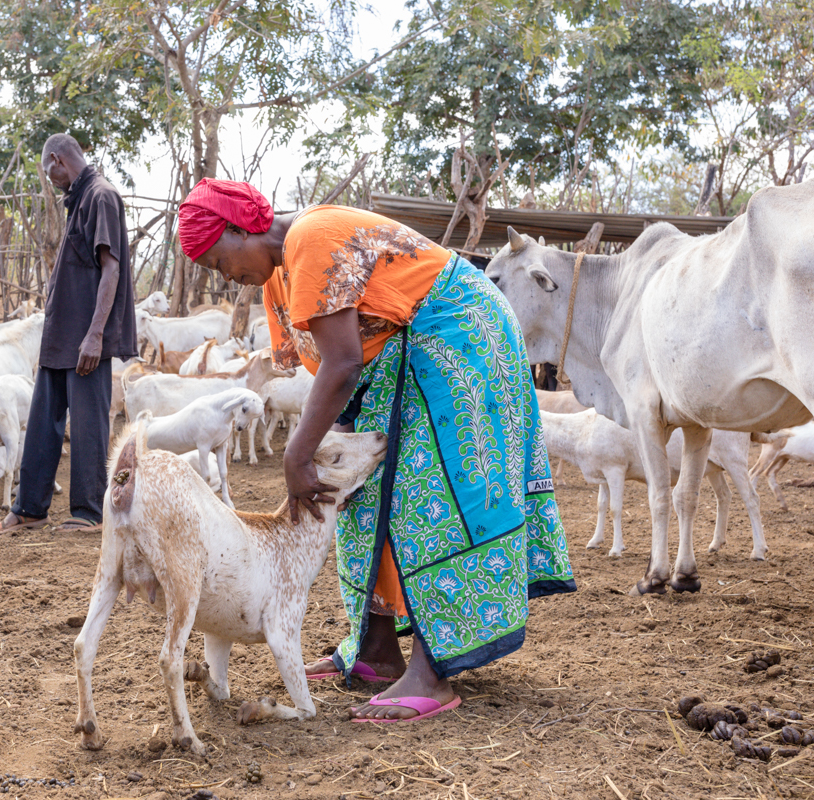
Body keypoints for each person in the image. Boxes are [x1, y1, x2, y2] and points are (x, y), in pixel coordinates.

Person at [177, 179, 575, 721]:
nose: (221, 275)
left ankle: (432, 672)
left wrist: (298, 454)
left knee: (425, 491)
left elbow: (342, 363)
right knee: (359, 490)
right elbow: (337, 369)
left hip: (459, 336)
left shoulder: (311, 239)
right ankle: (376, 647)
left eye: (216, 259)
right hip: (401, 354)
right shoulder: (280, 275)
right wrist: (332, 445)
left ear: (237, 228)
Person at [0, 134, 136, 535]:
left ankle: (89, 512)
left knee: (87, 424)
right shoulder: (79, 199)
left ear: (56, 160)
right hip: (61, 336)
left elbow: (112, 269)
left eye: (47, 172)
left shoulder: (101, 196)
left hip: (85, 337)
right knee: (42, 423)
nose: (50, 180)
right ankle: (30, 508)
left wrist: (95, 335)